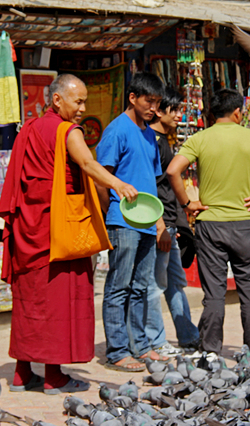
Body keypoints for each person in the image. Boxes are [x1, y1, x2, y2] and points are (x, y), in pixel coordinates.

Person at [0, 74, 138, 393]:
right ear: (57, 100)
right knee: (58, 300)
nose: (82, 108)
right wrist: (118, 185)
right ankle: (53, 375)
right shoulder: (67, 131)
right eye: (78, 101)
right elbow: (88, 164)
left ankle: (22, 373)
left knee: (29, 299)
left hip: (29, 224)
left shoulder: (29, 129)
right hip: (58, 227)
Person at [166, 88, 250, 357]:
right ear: (238, 112)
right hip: (246, 225)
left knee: (214, 294)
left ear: (212, 112)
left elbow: (172, 170)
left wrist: (187, 204)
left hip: (210, 225)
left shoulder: (200, 139)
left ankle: (210, 351)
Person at [96, 72, 170, 372]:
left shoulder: (150, 135)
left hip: (148, 221)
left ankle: (140, 346)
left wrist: (161, 221)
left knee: (141, 287)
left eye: (157, 103)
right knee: (118, 286)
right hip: (122, 222)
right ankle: (116, 351)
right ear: (132, 98)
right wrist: (110, 214)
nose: (153, 108)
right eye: (148, 101)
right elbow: (102, 179)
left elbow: (151, 184)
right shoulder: (116, 131)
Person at [145, 87, 200, 356]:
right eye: (175, 109)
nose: (180, 115)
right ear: (159, 110)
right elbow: (150, 188)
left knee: (176, 281)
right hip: (161, 224)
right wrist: (161, 227)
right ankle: (156, 341)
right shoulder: (152, 141)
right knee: (156, 285)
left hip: (171, 222)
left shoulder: (162, 140)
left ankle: (189, 336)